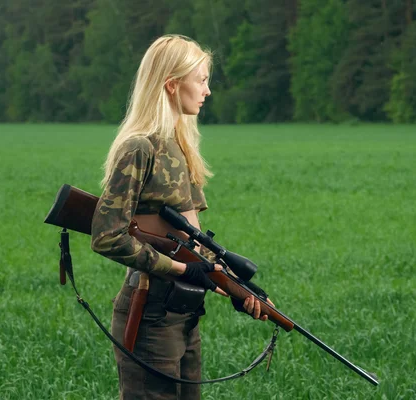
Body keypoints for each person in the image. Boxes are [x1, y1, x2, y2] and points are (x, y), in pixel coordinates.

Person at [90, 34, 271, 400]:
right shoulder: (139, 148)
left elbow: (193, 243)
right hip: (151, 314)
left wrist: (236, 287)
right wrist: (183, 271)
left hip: (184, 315)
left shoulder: (182, 146)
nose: (207, 91)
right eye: (201, 80)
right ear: (172, 85)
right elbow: (107, 236)